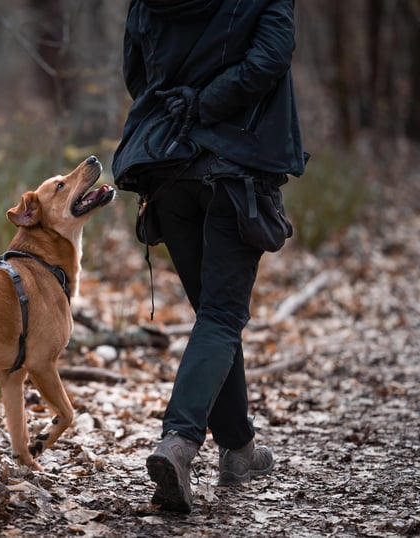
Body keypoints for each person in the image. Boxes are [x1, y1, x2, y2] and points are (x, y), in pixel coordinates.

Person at [112, 0, 307, 514]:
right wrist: (207, 104)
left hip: (168, 164)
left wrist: (183, 109)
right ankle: (178, 442)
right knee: (221, 316)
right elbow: (269, 60)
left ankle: (239, 449)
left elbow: (137, 73)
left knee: (214, 318)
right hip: (234, 167)